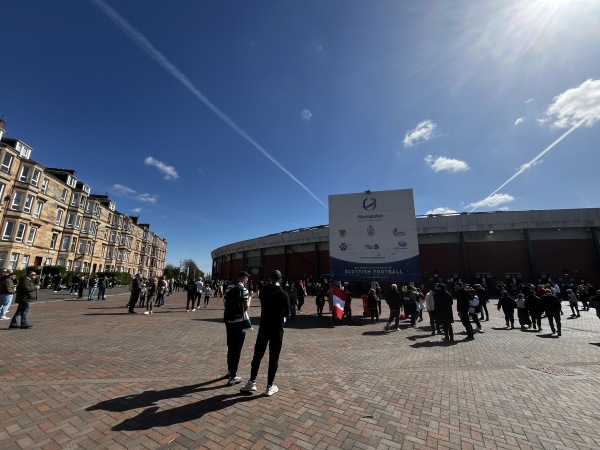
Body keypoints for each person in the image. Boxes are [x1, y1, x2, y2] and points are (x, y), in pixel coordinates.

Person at [240, 269, 290, 397]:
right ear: (280, 279)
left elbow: (264, 290)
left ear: (270, 279)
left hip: (264, 328)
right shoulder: (283, 294)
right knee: (274, 357)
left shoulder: (264, 292)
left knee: (257, 355)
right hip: (277, 329)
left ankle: (252, 381)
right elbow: (287, 313)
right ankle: (269, 386)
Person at [224, 271, 252, 386]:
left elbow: (225, 304)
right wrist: (250, 298)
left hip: (229, 321)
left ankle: (230, 370)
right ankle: (233, 376)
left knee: (230, 346)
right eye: (247, 279)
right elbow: (246, 308)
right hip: (239, 322)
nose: (247, 281)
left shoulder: (229, 287)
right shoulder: (244, 290)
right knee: (237, 348)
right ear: (243, 278)